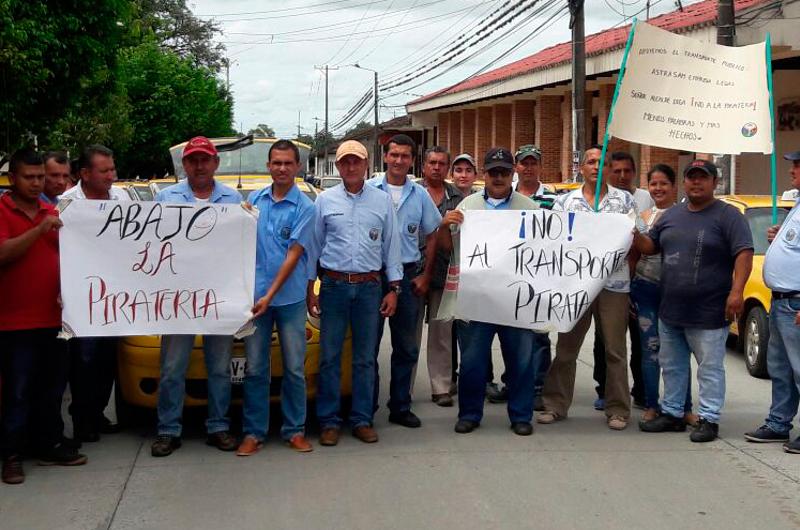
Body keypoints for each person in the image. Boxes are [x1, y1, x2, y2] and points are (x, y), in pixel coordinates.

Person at [634, 159, 753, 442]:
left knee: (709, 368)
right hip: (671, 308)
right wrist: (630, 234)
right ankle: (673, 413)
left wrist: (737, 293)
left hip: (710, 310)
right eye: (692, 177)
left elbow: (744, 254)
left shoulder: (728, 216)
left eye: (703, 177)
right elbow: (651, 246)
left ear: (714, 183)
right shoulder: (671, 215)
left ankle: (709, 418)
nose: (696, 182)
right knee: (672, 365)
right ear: (685, 182)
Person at [150, 136, 242, 457]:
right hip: (178, 298)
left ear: (216, 163)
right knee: (173, 367)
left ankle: (218, 426)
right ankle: (168, 429)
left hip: (219, 298)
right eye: (193, 160)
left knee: (219, 367)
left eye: (205, 159)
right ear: (184, 164)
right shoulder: (164, 198)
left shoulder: (234, 200)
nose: (200, 166)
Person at [437, 147, 539, 436]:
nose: (498, 177)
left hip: (514, 300)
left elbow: (540, 253)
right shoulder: (467, 207)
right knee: (472, 361)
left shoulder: (529, 208)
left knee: (521, 361)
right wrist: (445, 226)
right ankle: (469, 413)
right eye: (493, 172)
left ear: (512, 173)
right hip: (476, 300)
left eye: (504, 172)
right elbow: (447, 248)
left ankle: (521, 415)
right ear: (484, 173)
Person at [306, 140, 402, 446]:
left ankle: (362, 419)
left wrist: (394, 289)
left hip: (370, 288)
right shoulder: (324, 201)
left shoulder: (381, 200)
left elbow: (392, 246)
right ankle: (329, 422)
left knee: (364, 358)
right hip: (333, 286)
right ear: (338, 166)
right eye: (345, 162)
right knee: (330, 357)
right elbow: (314, 246)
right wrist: (312, 288)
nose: (350, 167)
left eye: (356, 162)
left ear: (366, 165)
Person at [537, 146, 640, 431]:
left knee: (615, 350)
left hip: (613, 285)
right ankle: (554, 404)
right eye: (591, 162)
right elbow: (553, 243)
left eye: (603, 162)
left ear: (609, 169)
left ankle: (618, 409)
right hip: (576, 285)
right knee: (567, 348)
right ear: (581, 168)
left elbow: (636, 244)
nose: (597, 167)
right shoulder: (566, 202)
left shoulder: (624, 201)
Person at [1, 149, 86, 485]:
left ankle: (48, 444)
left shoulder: (54, 212)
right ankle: (11, 454)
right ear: (12, 179)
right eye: (30, 177)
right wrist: (39, 229)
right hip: (13, 322)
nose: (37, 183)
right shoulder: (5, 211)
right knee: (17, 391)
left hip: (53, 319)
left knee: (51, 389)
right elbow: (4, 253)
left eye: (41, 177)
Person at [238, 140, 315, 456]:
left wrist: (269, 294)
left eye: (288, 163)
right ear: (268, 166)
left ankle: (294, 429)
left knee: (295, 367)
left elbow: (294, 254)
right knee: (255, 368)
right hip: (255, 299)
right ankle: (254, 432)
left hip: (290, 299)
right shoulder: (254, 201)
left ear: (297, 167)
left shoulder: (306, 208)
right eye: (276, 163)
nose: (282, 168)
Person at [367, 134, 442, 428]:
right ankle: (366, 408)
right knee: (368, 346)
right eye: (394, 155)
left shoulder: (419, 195)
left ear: (412, 160)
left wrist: (425, 274)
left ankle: (400, 406)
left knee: (406, 347)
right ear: (385, 157)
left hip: (410, 276)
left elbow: (434, 232)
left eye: (405, 156)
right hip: (374, 276)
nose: (399, 161)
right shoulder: (370, 190)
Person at [61, 145, 128, 443]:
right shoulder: (66, 204)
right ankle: (82, 418)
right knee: (83, 360)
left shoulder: (122, 199)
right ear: (85, 174)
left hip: (115, 295)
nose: (111, 176)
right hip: (82, 296)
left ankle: (98, 413)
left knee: (106, 359)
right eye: (105, 171)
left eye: (113, 169)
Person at [629, 165, 695, 424]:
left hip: (676, 292)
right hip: (645, 289)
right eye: (653, 184)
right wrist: (629, 291)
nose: (658, 188)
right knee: (650, 349)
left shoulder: (685, 215)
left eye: (663, 183)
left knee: (679, 351)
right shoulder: (642, 217)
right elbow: (634, 255)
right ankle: (652, 404)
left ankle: (685, 406)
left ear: (674, 186)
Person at [744, 150, 800, 452]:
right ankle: (779, 424)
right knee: (780, 369)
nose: (792, 170)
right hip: (780, 302)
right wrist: (778, 236)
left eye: (798, 166)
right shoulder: (797, 205)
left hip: (796, 303)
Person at [592, 151, 653, 410]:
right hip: (598, 283)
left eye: (627, 171)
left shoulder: (639, 200)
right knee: (603, 340)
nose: (622, 175)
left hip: (633, 282)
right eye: (616, 170)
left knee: (638, 342)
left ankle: (640, 392)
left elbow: (643, 242)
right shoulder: (595, 200)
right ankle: (604, 389)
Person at [415, 146, 462, 407]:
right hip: (413, 274)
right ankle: (403, 391)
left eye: (441, 163)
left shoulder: (457, 197)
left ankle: (441, 387)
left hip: (445, 274)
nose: (436, 167)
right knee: (409, 340)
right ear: (423, 166)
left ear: (447, 169)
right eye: (431, 162)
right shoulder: (413, 194)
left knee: (442, 335)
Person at [512, 144, 558, 410]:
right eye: (523, 163)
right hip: (511, 275)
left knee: (539, 335)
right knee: (512, 333)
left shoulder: (554, 199)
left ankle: (540, 387)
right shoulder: (507, 195)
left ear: (540, 166)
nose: (528, 167)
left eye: (533, 163)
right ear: (516, 166)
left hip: (541, 275)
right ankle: (514, 382)